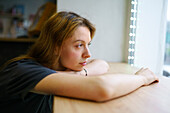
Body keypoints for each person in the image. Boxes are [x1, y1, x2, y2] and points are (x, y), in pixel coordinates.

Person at [0, 11, 159, 113]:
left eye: (88, 45)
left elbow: (102, 64)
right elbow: (102, 88)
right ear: (55, 47)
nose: (87, 54)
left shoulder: (55, 68)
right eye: (79, 45)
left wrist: (79, 74)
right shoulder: (22, 70)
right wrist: (143, 78)